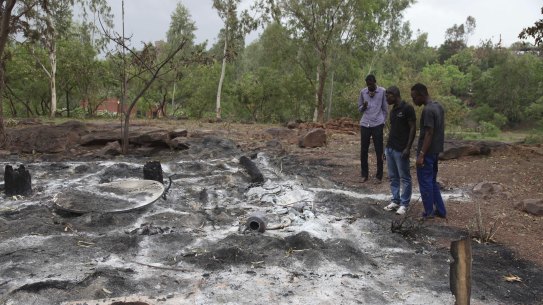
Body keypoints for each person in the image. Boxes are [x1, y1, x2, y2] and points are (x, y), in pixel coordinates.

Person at [410, 83, 446, 219]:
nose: (413, 101)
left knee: (425, 182)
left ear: (421, 95)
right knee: (432, 181)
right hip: (436, 151)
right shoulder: (438, 106)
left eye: (414, 98)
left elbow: (429, 133)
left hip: (427, 153)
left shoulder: (428, 111)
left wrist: (421, 155)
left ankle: (428, 212)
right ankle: (441, 211)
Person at [383, 86, 416, 215]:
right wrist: (386, 148)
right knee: (393, 177)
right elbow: (393, 130)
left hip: (401, 149)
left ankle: (404, 204)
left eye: (388, 95)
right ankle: (395, 200)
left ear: (395, 94)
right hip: (390, 148)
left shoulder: (407, 108)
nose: (386, 98)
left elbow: (413, 128)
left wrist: (408, 148)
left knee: (405, 177)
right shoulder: (393, 111)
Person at [358, 74, 388, 183]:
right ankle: (364, 174)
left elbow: (385, 109)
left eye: (371, 84)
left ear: (375, 82)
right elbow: (360, 109)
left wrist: (383, 121)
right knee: (363, 150)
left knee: (379, 150)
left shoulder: (382, 92)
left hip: (377, 124)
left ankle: (379, 176)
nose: (369, 86)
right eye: (367, 84)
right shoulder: (363, 92)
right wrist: (364, 107)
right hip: (365, 123)